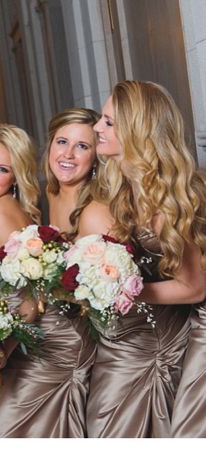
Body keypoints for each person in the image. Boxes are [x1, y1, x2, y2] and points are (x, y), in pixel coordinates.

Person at [79, 81, 206, 437]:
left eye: (109, 122)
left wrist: (125, 291)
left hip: (191, 327)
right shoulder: (122, 189)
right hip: (142, 332)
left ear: (137, 132)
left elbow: (195, 288)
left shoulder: (166, 199)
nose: (97, 127)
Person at [0, 109, 99, 437]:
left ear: (97, 156)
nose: (68, 154)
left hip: (65, 337)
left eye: (82, 146)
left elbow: (90, 291)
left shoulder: (96, 208)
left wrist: (7, 345)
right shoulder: (53, 192)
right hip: (42, 329)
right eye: (62, 142)